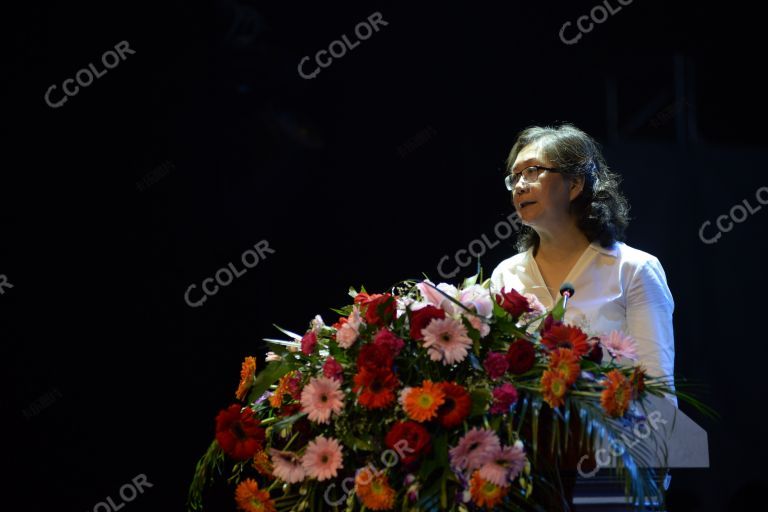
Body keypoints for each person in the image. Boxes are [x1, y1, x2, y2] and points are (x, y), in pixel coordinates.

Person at [490, 123, 676, 510]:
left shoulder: (634, 269)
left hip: (612, 466)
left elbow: (657, 383)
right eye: (514, 177)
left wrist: (650, 475)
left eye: (533, 172)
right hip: (530, 470)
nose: (520, 185)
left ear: (575, 185)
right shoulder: (506, 275)